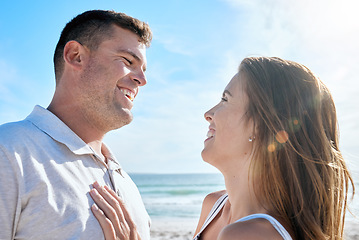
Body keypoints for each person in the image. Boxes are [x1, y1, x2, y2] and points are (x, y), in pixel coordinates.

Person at [92, 57, 354, 240]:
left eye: (225, 99)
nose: (208, 114)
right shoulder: (214, 206)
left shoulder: (250, 235)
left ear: (263, 128)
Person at [0, 10, 152, 240]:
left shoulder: (126, 183)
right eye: (128, 61)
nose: (142, 79)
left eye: (143, 69)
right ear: (75, 56)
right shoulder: (9, 152)